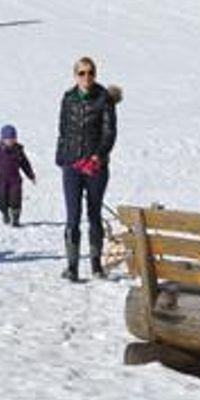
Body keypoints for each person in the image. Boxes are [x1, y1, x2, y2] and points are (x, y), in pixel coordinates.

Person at [54, 56, 119, 282]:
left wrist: (98, 156)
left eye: (90, 72)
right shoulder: (68, 98)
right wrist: (62, 157)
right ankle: (72, 267)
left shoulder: (104, 98)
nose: (86, 77)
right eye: (82, 73)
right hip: (72, 165)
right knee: (72, 216)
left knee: (94, 214)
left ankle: (96, 265)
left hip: (95, 167)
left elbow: (109, 132)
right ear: (75, 75)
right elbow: (63, 130)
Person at [0, 123, 35, 227]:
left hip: (15, 181)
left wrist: (31, 176)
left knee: (15, 199)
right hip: (2, 181)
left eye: (13, 138)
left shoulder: (19, 151)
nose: (10, 141)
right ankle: (5, 213)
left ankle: (15, 218)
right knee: (2, 200)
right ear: (2, 140)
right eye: (8, 139)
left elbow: (25, 164)